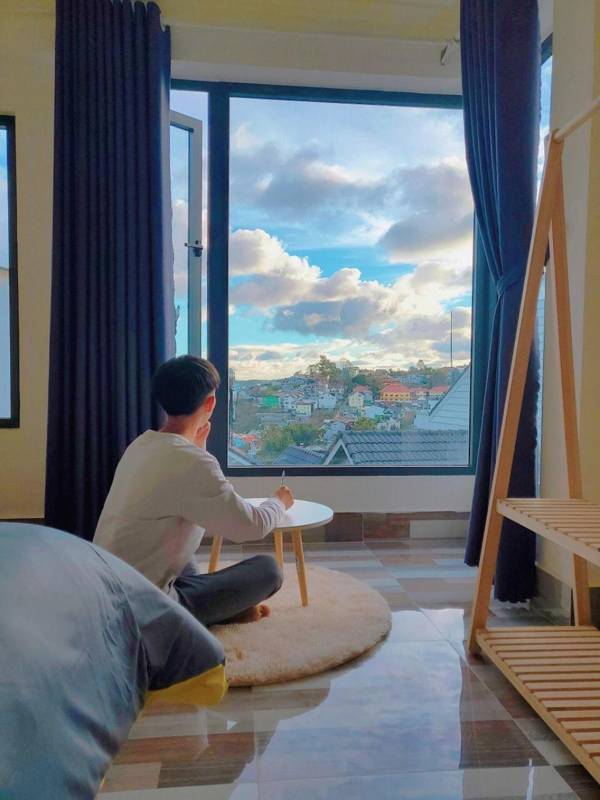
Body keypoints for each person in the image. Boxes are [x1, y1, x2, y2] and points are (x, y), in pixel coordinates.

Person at [94, 355, 294, 626]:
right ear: (210, 403)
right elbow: (252, 526)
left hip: (105, 589)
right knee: (268, 570)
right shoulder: (192, 462)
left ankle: (217, 608)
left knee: (185, 558)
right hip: (140, 608)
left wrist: (197, 448)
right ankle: (203, 614)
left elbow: (183, 492)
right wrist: (279, 501)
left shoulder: (141, 445)